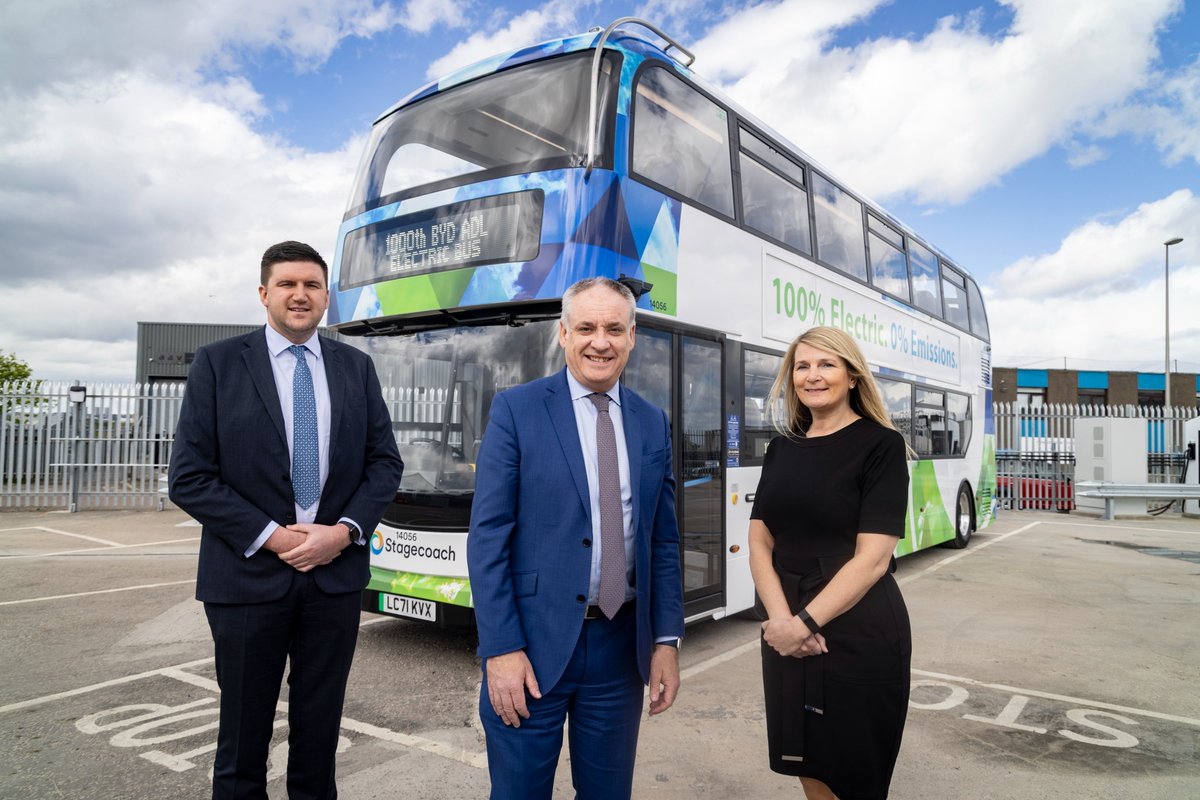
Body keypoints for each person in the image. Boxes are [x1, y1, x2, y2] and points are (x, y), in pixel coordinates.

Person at [169, 241, 404, 800]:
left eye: (313, 285)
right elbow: (190, 477)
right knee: (242, 742)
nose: (300, 295)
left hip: (334, 580)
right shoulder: (219, 364)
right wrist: (273, 537)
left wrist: (342, 532)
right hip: (247, 582)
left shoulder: (356, 367)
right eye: (287, 284)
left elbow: (384, 463)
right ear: (263, 293)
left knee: (319, 737)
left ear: (326, 296)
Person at [467, 277, 685, 800]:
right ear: (563, 334)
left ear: (632, 336)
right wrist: (501, 649)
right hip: (532, 650)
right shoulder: (516, 410)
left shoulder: (653, 422)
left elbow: (664, 541)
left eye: (614, 328)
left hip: (619, 649)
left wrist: (666, 640)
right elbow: (488, 536)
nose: (600, 341)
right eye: (585, 327)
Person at [748, 325, 911, 800]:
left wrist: (804, 624)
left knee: (854, 777)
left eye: (826, 364)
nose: (812, 376)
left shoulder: (880, 445)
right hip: (786, 627)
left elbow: (874, 558)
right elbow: (759, 541)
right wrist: (782, 621)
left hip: (857, 629)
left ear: (852, 376)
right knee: (808, 765)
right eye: (802, 366)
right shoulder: (782, 447)